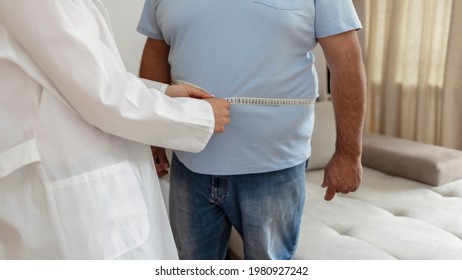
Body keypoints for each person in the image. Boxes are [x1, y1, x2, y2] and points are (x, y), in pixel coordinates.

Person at [0, 0, 230, 260]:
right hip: (71, 196)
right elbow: (101, 95)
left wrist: (163, 93)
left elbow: (86, 79)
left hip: (81, 175)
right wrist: (197, 116)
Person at [137, 0, 367, 260]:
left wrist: (349, 154)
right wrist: (153, 138)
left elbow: (346, 61)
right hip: (189, 163)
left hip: (274, 168)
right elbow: (156, 50)